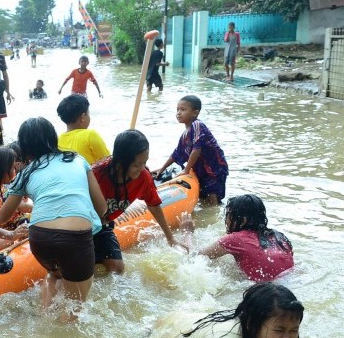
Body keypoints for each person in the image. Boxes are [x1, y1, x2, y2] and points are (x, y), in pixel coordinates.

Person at [0, 117, 107, 321]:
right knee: (76, 307)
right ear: (53, 138)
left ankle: (45, 319)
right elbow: (102, 207)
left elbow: (3, 215)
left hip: (40, 238)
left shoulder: (26, 172)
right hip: (75, 238)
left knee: (54, 274)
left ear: (25, 146)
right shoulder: (77, 160)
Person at [92, 129, 186, 273]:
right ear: (120, 162)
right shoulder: (96, 175)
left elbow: (154, 205)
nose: (142, 168)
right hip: (83, 226)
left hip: (104, 226)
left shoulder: (144, 177)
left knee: (117, 270)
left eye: (145, 162)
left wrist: (170, 238)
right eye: (137, 165)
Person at [180, 282, 308, 338]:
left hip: (195, 322)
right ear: (251, 324)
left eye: (293, 330)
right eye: (279, 330)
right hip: (171, 331)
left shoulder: (262, 333)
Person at [181, 194, 294, 281]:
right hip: (290, 279)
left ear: (244, 220)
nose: (226, 220)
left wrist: (187, 232)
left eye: (229, 215)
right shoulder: (278, 236)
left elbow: (195, 256)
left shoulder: (235, 239)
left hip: (262, 289)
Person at [152, 95, 229, 205]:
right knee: (203, 198)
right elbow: (177, 153)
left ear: (195, 113)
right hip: (201, 169)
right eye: (177, 109)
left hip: (214, 169)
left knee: (213, 199)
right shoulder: (185, 134)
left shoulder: (197, 125)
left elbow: (196, 149)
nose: (178, 113)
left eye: (183, 110)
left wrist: (186, 170)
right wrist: (162, 169)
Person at [56, 94, 110, 164]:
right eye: (88, 113)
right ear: (83, 117)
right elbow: (108, 161)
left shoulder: (59, 139)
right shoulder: (90, 135)